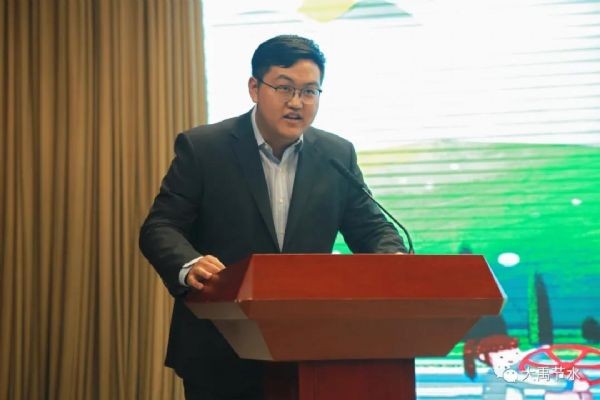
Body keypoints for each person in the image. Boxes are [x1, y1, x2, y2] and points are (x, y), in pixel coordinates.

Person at [139, 34, 406, 400]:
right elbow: (161, 226)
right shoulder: (204, 148)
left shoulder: (336, 154)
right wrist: (189, 263)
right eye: (284, 88)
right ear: (255, 88)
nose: (297, 102)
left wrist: (393, 259)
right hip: (220, 346)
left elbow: (372, 228)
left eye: (309, 91)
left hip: (308, 348)